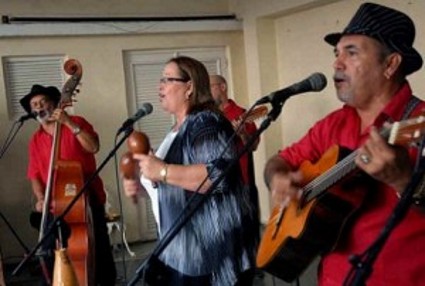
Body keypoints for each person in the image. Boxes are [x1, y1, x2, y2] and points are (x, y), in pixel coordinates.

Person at [263, 2, 425, 285]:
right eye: (336, 53)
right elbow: (280, 161)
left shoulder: (417, 122)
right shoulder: (334, 124)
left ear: (390, 64)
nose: (336, 63)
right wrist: (277, 178)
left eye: (351, 53)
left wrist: (405, 181)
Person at [122, 56, 258, 285]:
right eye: (161, 79)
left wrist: (163, 171)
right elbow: (178, 187)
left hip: (210, 256)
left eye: (168, 79)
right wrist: (145, 185)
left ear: (190, 87)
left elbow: (217, 176)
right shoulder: (178, 129)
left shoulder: (205, 122)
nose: (160, 85)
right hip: (182, 251)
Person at [20, 84, 116, 285]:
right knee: (54, 254)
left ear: (54, 103)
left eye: (42, 102)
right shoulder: (35, 140)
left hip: (86, 200)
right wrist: (40, 199)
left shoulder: (77, 122)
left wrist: (69, 123)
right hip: (55, 204)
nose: (38, 107)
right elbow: (34, 175)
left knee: (99, 253)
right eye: (34, 105)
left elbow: (94, 147)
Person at [209, 74, 261, 243]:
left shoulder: (242, 114)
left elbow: (253, 145)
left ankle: (251, 267)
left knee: (246, 230)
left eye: (210, 86)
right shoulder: (208, 116)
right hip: (214, 181)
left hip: (241, 181)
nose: (207, 91)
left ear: (222, 87)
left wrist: (243, 134)